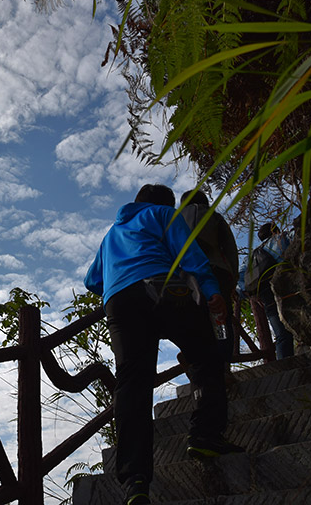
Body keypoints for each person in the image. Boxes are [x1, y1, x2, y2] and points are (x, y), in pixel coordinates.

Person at [85, 184, 243, 505]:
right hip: (162, 286)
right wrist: (212, 289)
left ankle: (135, 480)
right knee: (204, 355)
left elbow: (92, 280)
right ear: (166, 203)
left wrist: (119, 277)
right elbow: (188, 253)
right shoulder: (164, 214)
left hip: (118, 301)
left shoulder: (112, 234)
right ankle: (205, 435)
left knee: (132, 381)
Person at [180, 189, 240, 365]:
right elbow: (229, 248)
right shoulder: (213, 216)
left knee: (194, 320)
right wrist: (233, 279)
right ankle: (223, 366)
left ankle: (201, 369)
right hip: (217, 273)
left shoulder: (175, 218)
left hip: (186, 276)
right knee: (220, 320)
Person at [256, 222, 294, 359]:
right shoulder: (282, 239)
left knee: (281, 334)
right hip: (287, 285)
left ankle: (284, 365)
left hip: (266, 294)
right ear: (275, 231)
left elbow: (242, 279)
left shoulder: (254, 254)